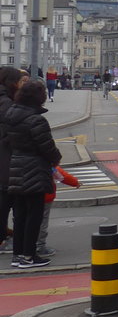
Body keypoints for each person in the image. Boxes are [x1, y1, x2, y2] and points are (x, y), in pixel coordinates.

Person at [3, 78, 61, 269]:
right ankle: (29, 256)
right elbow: (47, 147)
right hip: (34, 168)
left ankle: (18, 254)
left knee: (20, 215)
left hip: (16, 165)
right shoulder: (36, 119)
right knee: (34, 215)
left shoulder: (11, 114)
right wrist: (56, 159)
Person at [0, 66, 29, 255]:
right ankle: (3, 239)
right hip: (6, 159)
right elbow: (13, 131)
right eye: (19, 81)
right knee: (6, 201)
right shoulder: (6, 103)